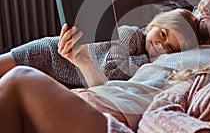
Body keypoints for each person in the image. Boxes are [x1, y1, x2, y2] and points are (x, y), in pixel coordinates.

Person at [0, 0, 210, 133]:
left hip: (113, 118)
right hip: (95, 97)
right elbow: (118, 88)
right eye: (201, 4)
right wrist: (84, 61)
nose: (203, 9)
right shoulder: (178, 51)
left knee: (19, 80)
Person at [0, 8, 198, 87]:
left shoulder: (151, 63)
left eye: (170, 47)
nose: (160, 45)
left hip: (66, 78)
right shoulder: (131, 35)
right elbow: (111, 71)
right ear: (154, 25)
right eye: (162, 35)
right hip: (50, 54)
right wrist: (146, 61)